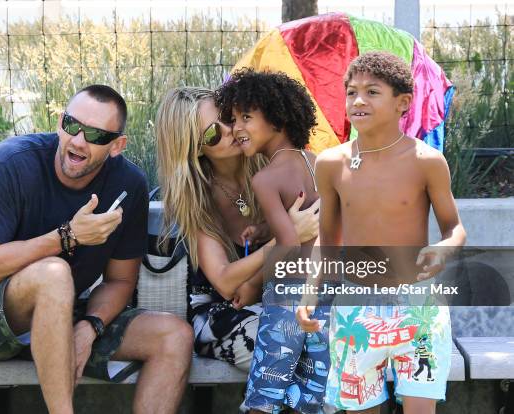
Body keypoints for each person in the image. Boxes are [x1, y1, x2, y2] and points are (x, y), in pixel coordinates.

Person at [0, 85, 194, 414]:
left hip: (55, 315)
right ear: (59, 124)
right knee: (54, 272)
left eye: (95, 135)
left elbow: (120, 281)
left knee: (174, 336)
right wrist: (66, 236)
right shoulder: (8, 164)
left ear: (117, 145)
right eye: (71, 125)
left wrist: (89, 327)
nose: (78, 141)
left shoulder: (128, 184)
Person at [296, 51, 466, 414]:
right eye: (351, 92)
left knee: (421, 408)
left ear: (402, 103)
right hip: (354, 309)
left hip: (417, 308)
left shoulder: (426, 161)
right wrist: (310, 291)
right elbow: (327, 239)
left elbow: (455, 229)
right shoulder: (330, 164)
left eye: (372, 92)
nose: (358, 100)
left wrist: (443, 249)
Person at [155, 86, 320, 373]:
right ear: (194, 148)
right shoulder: (198, 198)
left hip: (279, 295)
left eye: (227, 117)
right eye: (212, 134)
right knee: (290, 342)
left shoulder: (272, 161)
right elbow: (224, 282)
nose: (230, 130)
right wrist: (285, 236)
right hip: (222, 313)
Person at [216, 69, 331, 414]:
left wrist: (251, 282)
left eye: (246, 118)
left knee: (264, 398)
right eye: (233, 119)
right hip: (326, 298)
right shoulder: (319, 163)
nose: (236, 129)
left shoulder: (265, 179)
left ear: (277, 120)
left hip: (286, 303)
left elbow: (290, 243)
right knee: (309, 398)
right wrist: (264, 229)